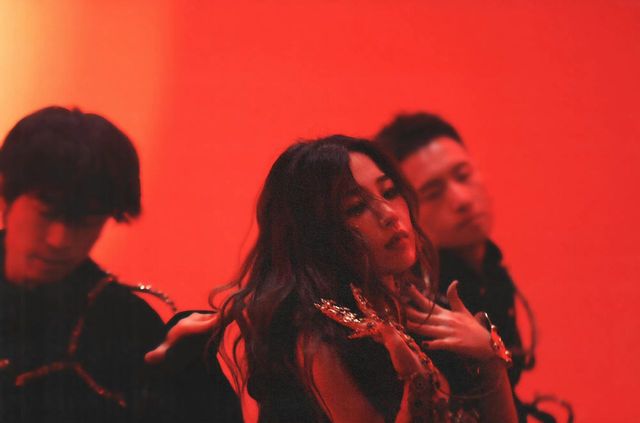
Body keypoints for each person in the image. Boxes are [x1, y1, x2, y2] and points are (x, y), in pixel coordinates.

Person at [200, 136, 517, 422]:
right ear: (317, 234)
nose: (388, 214)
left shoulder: (423, 306)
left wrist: (490, 358)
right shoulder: (319, 342)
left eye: (389, 192)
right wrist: (417, 392)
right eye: (355, 208)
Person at [374, 112, 550, 421]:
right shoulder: (419, 304)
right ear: (404, 211)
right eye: (433, 192)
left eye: (463, 175)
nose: (461, 200)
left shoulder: (490, 270)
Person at [0, 106, 165, 423]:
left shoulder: (128, 328)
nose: (59, 240)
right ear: (6, 195)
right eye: (46, 213)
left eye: (85, 222)